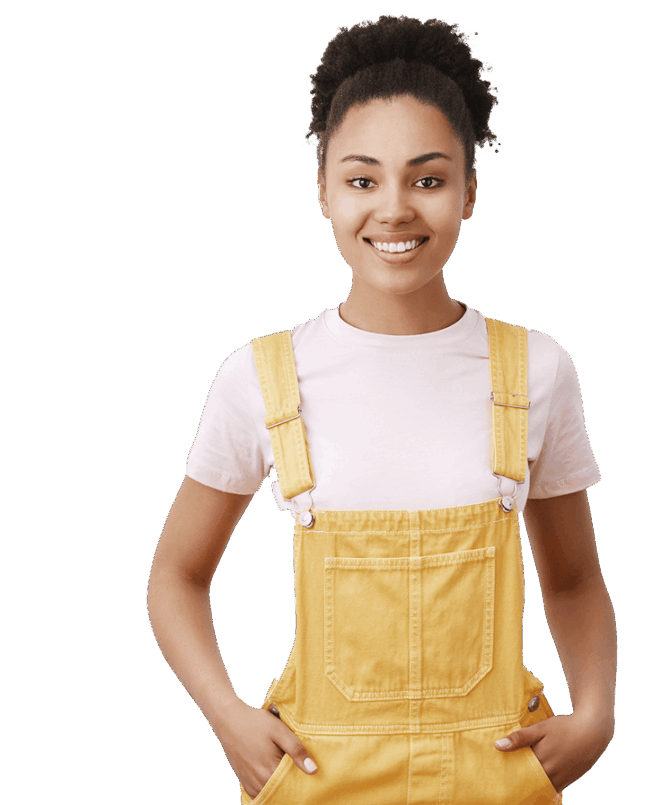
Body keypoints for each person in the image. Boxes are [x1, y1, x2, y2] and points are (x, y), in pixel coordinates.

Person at [147, 13, 617, 804]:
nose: (394, 209)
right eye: (363, 179)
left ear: (470, 191)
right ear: (323, 192)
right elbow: (176, 574)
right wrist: (225, 716)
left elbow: (572, 579)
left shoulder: (538, 369)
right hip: (316, 774)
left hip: (496, 771)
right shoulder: (262, 377)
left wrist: (597, 714)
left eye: (427, 178)